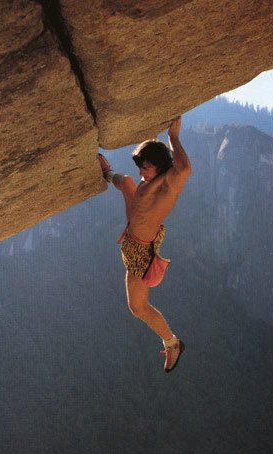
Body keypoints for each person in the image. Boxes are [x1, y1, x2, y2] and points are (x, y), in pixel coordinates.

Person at [98, 117, 191, 372]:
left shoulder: (166, 188)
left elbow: (183, 169)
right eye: (140, 165)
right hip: (132, 238)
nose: (142, 171)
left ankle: (172, 343)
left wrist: (174, 137)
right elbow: (130, 184)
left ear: (160, 168)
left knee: (137, 307)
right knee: (126, 182)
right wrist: (112, 175)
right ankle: (106, 171)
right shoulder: (146, 181)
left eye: (146, 167)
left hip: (140, 251)